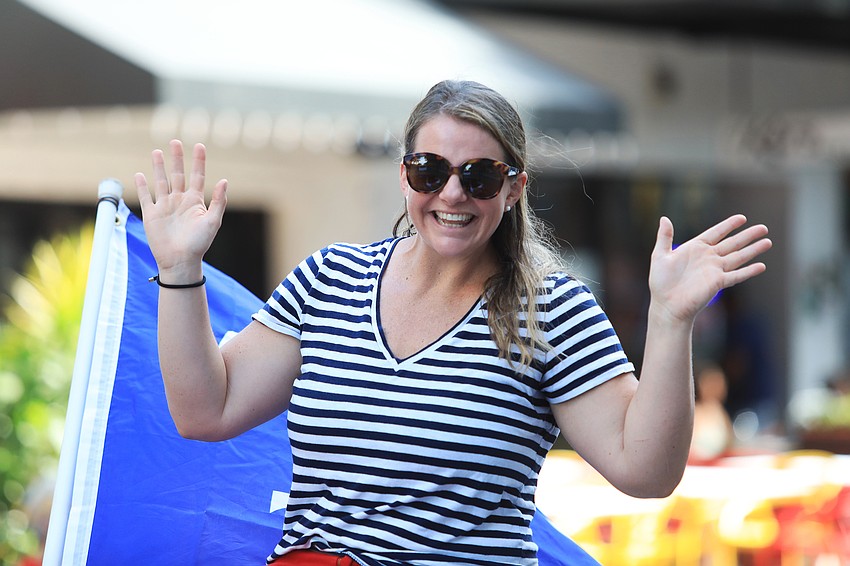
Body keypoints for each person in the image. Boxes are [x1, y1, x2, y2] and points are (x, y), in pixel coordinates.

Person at [134, 80, 772, 566]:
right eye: (430, 170)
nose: (452, 194)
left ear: (514, 187)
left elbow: (647, 472)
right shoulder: (328, 279)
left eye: (480, 176)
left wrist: (670, 319)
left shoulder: (551, 311)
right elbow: (204, 411)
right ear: (405, 173)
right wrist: (180, 266)